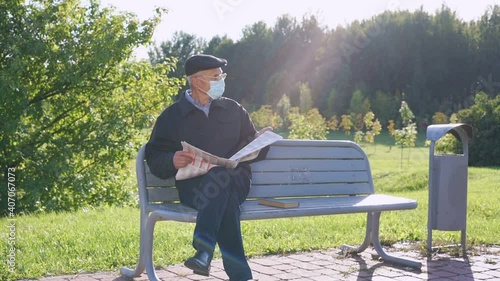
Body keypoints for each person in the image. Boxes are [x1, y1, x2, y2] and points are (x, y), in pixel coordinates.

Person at [145, 54, 270, 281]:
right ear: (196, 80)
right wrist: (171, 160)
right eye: (215, 77)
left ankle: (204, 250)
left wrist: (260, 141)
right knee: (224, 197)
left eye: (221, 76)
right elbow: (154, 157)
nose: (221, 80)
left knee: (221, 177)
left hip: (237, 180)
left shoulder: (234, 110)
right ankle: (240, 275)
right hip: (194, 188)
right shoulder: (171, 117)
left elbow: (252, 150)